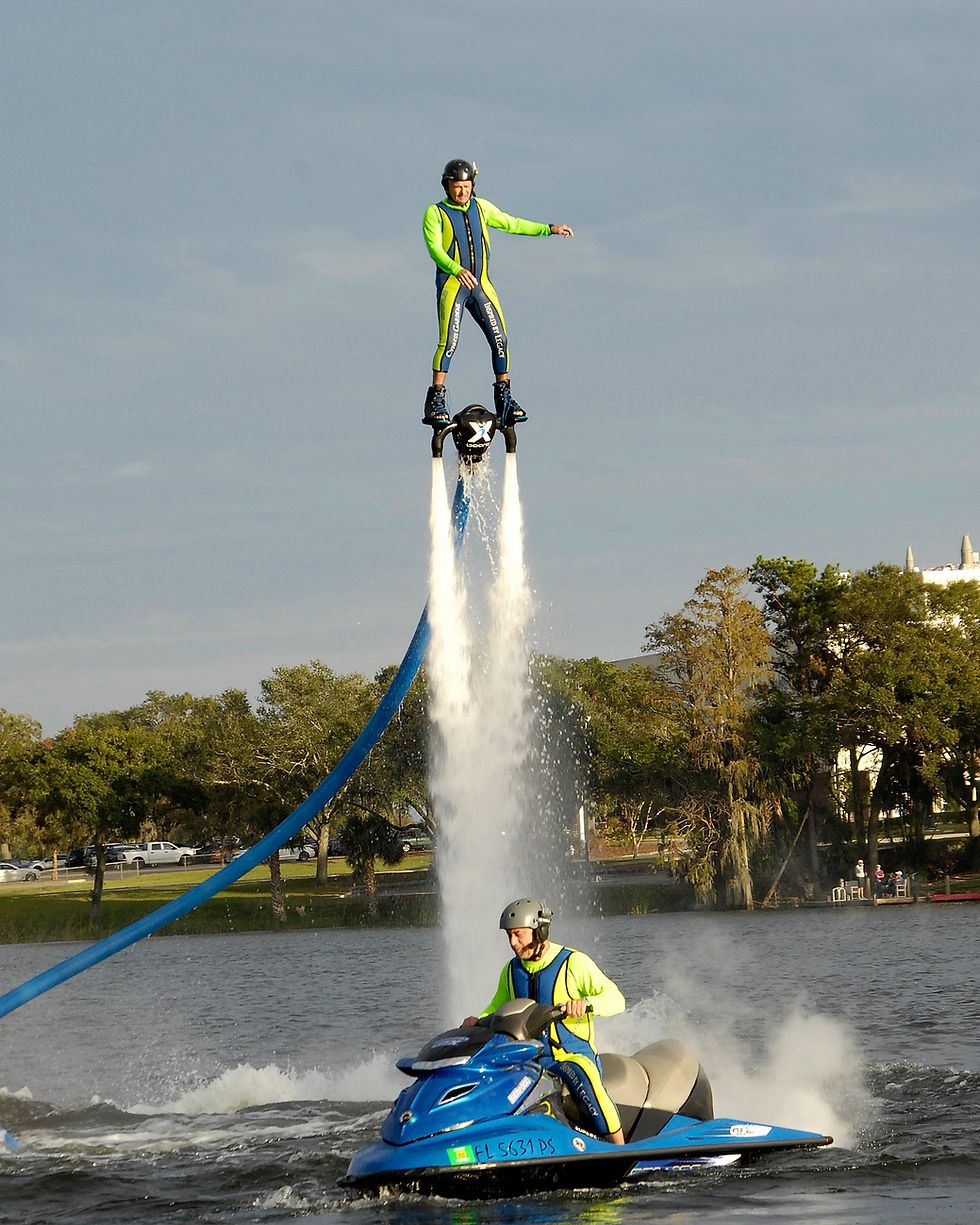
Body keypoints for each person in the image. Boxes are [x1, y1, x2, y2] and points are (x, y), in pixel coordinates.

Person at [421, 159, 574, 428]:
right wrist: (456, 270)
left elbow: (512, 223)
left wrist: (549, 229)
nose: (462, 192)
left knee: (500, 338)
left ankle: (504, 399)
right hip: (453, 285)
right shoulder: (435, 213)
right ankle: (436, 399)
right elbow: (434, 248)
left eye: (467, 187)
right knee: (449, 342)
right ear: (447, 186)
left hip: (481, 286)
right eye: (457, 187)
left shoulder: (482, 208)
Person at [462, 897, 626, 1145]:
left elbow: (617, 999)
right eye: (508, 936)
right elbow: (496, 1008)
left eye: (518, 935)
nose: (513, 943)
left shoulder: (574, 962)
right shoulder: (511, 970)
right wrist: (478, 1020)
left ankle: (620, 1149)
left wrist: (586, 1004)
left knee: (583, 1076)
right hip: (528, 1059)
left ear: (540, 930)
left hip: (571, 1057)